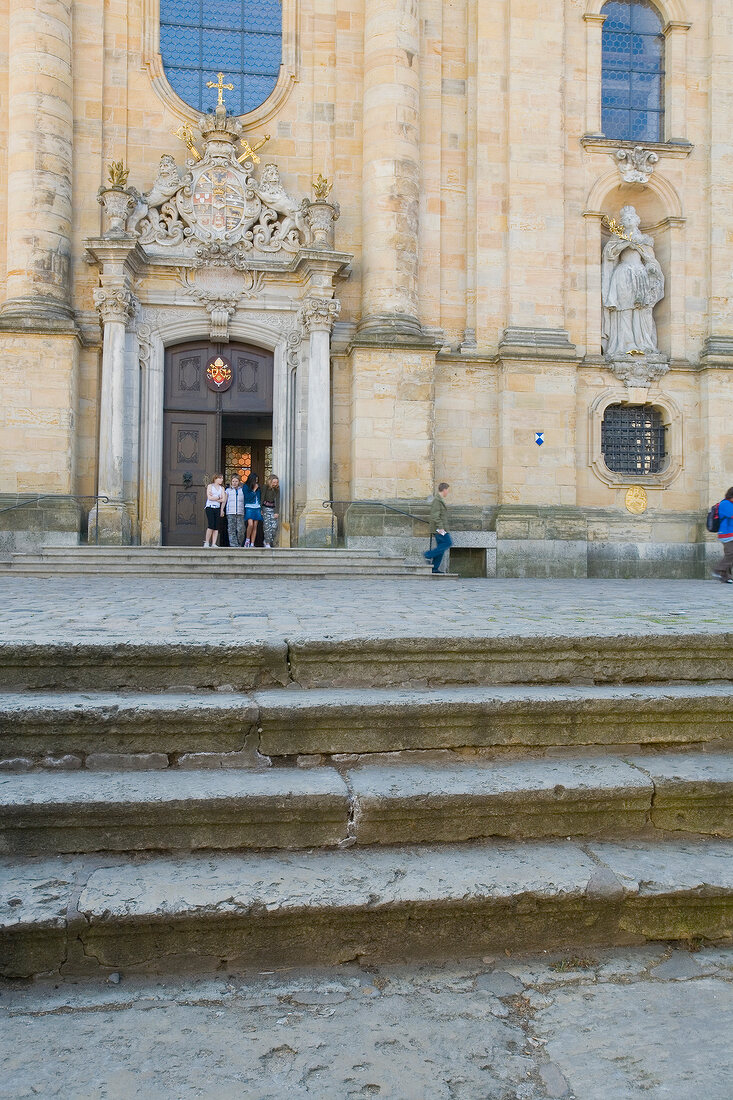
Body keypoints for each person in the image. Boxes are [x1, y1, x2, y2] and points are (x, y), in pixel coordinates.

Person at [424, 482, 452, 574]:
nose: (448, 492)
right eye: (447, 490)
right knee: (448, 542)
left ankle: (435, 568)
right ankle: (428, 554)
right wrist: (441, 528)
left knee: (441, 547)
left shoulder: (439, 500)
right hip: (439, 528)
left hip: (441, 528)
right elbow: (435, 516)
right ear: (444, 490)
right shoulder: (437, 500)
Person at [712, 486, 733, 584]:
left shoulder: (729, 503)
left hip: (730, 533)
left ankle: (725, 577)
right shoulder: (725, 503)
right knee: (730, 554)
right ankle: (718, 570)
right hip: (726, 533)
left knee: (729, 554)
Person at [203, 473, 225, 547]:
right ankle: (206, 542)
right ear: (215, 478)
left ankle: (213, 543)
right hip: (210, 507)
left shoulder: (222, 488)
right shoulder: (210, 486)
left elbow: (224, 499)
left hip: (217, 508)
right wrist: (219, 497)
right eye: (220, 478)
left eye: (222, 478)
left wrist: (216, 497)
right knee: (211, 525)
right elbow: (209, 498)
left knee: (216, 526)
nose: (221, 480)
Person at [224, 474, 245, 548]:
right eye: (233, 481)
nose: (234, 483)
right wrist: (222, 510)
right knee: (231, 530)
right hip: (230, 512)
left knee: (241, 530)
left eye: (236, 481)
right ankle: (233, 545)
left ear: (239, 482)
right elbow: (224, 501)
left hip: (240, 512)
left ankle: (239, 544)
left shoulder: (242, 490)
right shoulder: (228, 490)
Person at [243, 472, 262, 548]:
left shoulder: (258, 487)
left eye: (257, 480)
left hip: (257, 507)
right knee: (250, 524)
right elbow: (247, 497)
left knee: (255, 526)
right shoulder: (246, 487)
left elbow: (260, 497)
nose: (256, 481)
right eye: (255, 480)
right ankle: (247, 540)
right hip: (249, 506)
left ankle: (252, 543)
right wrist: (254, 490)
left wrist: (261, 508)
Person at [261, 474, 281, 548]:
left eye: (276, 482)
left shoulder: (277, 489)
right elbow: (262, 498)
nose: (275, 484)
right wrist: (261, 509)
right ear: (270, 482)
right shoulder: (265, 487)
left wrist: (276, 512)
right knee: (267, 527)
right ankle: (267, 543)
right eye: (274, 482)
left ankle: (269, 541)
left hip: (273, 509)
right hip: (265, 508)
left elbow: (277, 501)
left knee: (274, 527)